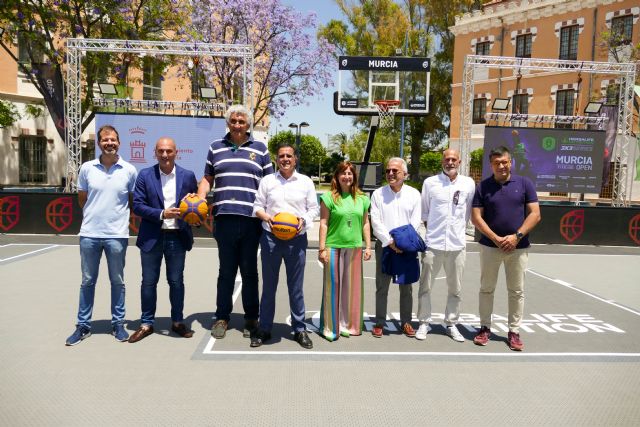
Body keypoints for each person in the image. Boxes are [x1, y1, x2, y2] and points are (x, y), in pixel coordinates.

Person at [197, 105, 273, 339]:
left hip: (251, 220)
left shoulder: (260, 149)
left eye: (242, 121)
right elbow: (207, 178)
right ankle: (222, 317)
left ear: (248, 124)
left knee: (250, 271)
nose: (238, 124)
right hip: (224, 218)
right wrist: (199, 199)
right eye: (234, 120)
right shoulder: (215, 147)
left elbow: (270, 184)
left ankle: (251, 317)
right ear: (228, 123)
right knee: (226, 271)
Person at [65, 125, 137, 346]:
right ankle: (83, 325)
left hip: (117, 235)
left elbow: (132, 202)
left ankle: (118, 324)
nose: (109, 143)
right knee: (87, 281)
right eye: (105, 140)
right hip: (89, 235)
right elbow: (82, 199)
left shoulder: (129, 170)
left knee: (117, 281)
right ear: (99, 143)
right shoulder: (87, 168)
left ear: (119, 143)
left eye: (113, 140)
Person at [128, 137, 198, 343]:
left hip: (177, 238)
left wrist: (194, 218)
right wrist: (162, 214)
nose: (165, 155)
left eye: (169, 151)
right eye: (161, 151)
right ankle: (146, 324)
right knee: (148, 282)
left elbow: (194, 204)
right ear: (155, 153)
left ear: (176, 152)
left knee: (176, 282)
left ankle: (177, 322)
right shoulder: (144, 175)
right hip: (152, 237)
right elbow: (138, 205)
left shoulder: (187, 176)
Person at [471, 145, 541, 351]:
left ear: (510, 162)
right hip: (490, 247)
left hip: (518, 248)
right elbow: (476, 217)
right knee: (486, 289)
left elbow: (535, 214)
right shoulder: (483, 187)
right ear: (491, 165)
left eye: (504, 162)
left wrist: (516, 237)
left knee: (516, 291)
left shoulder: (525, 184)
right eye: (496, 163)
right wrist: (495, 238)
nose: (501, 166)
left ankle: (514, 331)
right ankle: (484, 328)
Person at [250, 144, 319, 349]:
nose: (285, 159)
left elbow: (313, 209)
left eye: (289, 155)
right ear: (276, 159)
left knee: (295, 288)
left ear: (295, 159)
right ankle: (264, 328)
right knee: (269, 287)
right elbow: (257, 206)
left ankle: (299, 329)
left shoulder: (306, 182)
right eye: (281, 156)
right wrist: (265, 216)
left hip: (297, 239)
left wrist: (302, 222)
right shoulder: (267, 180)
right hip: (271, 237)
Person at [416, 149, 476, 342]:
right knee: (425, 286)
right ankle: (424, 322)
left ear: (459, 162)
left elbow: (467, 214)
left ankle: (451, 323)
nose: (450, 162)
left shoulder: (468, 184)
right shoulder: (430, 183)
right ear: (442, 161)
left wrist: (456, 232)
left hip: (457, 245)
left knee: (455, 288)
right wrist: (433, 233)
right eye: (447, 159)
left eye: (453, 159)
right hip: (433, 244)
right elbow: (424, 214)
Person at [318, 161, 372, 341]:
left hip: (354, 247)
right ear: (337, 177)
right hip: (333, 247)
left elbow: (365, 222)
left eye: (350, 173)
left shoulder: (363, 199)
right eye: (343, 173)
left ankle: (347, 324)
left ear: (354, 177)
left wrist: (368, 246)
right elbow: (323, 224)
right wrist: (322, 248)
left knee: (351, 290)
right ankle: (330, 327)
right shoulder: (329, 198)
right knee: (332, 288)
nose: (347, 177)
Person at [370, 158, 421, 338]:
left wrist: (403, 243)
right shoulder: (378, 194)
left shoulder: (414, 194)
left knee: (406, 287)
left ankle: (406, 322)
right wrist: (391, 242)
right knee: (381, 286)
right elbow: (375, 221)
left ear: (404, 174)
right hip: (384, 246)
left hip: (407, 247)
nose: (390, 174)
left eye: (395, 171)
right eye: (388, 171)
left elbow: (415, 222)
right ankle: (380, 322)